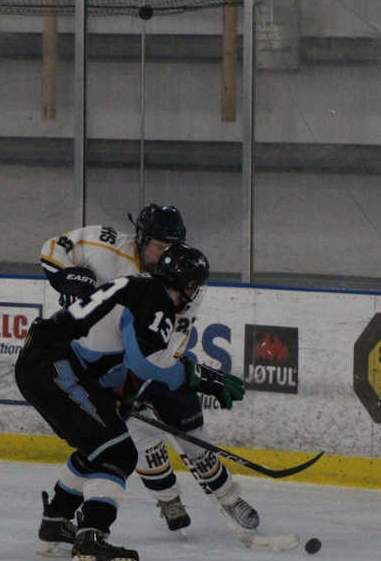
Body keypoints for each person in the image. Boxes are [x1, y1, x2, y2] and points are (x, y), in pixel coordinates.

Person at [17, 243, 245, 561]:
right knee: (119, 452)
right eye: (194, 284)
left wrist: (118, 396)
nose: (195, 292)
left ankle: (55, 524)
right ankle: (92, 540)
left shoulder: (141, 287)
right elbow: (145, 362)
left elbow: (113, 353)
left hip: (50, 361)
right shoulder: (157, 298)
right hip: (54, 364)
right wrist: (200, 376)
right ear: (184, 283)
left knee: (99, 445)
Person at [38, 204, 260, 533]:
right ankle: (168, 499)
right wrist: (68, 277)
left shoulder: (184, 280)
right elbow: (55, 248)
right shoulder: (106, 244)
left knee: (192, 430)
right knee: (138, 438)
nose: (165, 254)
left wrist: (145, 378)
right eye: (159, 245)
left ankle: (228, 497)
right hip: (97, 361)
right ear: (141, 238)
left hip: (151, 360)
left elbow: (170, 345)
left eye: (172, 246)